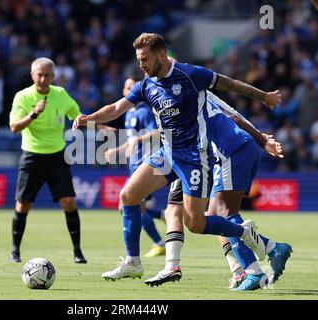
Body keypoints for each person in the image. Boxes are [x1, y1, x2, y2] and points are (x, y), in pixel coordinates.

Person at [73, 33, 281, 280]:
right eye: (139, 60)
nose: (141, 65)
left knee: (195, 224)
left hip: (195, 157)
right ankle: (133, 262)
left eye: (145, 59)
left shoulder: (192, 75)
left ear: (161, 54)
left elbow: (233, 84)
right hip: (167, 152)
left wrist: (264, 97)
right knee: (128, 196)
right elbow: (116, 108)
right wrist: (90, 118)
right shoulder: (145, 85)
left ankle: (246, 234)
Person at [145, 92, 293, 291]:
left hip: (228, 151)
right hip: (236, 148)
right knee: (215, 214)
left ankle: (255, 270)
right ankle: (269, 250)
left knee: (226, 213)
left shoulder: (182, 100)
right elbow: (233, 115)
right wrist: (261, 139)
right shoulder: (198, 93)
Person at [9, 57, 87, 264]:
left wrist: (101, 126)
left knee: (69, 202)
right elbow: (14, 127)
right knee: (23, 204)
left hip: (56, 156)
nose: (43, 79)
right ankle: (15, 251)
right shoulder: (23, 97)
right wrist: (33, 114)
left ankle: (77, 252)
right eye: (39, 75)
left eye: (47, 75)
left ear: (53, 76)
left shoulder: (60, 94)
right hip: (32, 155)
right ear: (32, 75)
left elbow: (78, 117)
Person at [104, 75, 166, 258]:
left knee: (126, 205)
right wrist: (116, 150)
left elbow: (157, 132)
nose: (129, 91)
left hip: (145, 164)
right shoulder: (129, 114)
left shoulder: (144, 111)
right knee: (136, 207)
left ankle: (159, 243)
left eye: (133, 87)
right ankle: (163, 216)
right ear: (123, 92)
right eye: (126, 88)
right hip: (134, 165)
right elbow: (132, 141)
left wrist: (138, 140)